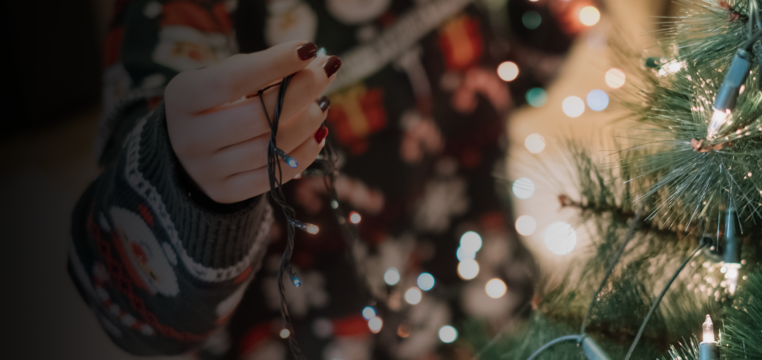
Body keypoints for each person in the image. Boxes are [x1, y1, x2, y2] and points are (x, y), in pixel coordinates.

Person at [69, 0, 584, 358]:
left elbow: (505, 81)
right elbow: (127, 306)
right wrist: (188, 193)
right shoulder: (183, 16)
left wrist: (549, 19)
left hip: (494, 320)